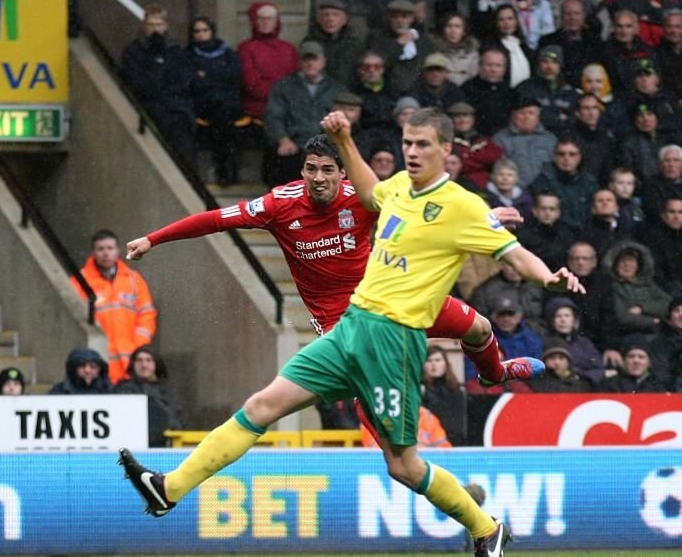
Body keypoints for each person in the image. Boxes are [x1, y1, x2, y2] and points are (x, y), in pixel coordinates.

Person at [119, 108, 583, 557]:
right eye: (408, 143)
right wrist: (153, 241)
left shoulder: (458, 205)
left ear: (446, 150)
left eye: (422, 144)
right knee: (262, 406)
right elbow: (364, 188)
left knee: (423, 431)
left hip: (393, 337)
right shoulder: (386, 189)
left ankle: (486, 500)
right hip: (347, 328)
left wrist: (548, 277)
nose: (413, 152)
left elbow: (515, 254)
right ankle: (169, 488)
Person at [126, 134, 539, 387]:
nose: (318, 177)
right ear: (302, 171)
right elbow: (215, 219)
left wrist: (484, 217)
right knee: (370, 385)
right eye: (310, 169)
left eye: (327, 170)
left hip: (391, 298)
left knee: (479, 327)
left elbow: (427, 211)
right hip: (339, 321)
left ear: (344, 174)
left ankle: (494, 373)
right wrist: (152, 239)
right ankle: (391, 461)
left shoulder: (362, 198)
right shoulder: (277, 205)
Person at [70, 229, 156, 384]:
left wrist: (138, 347)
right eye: (101, 249)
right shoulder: (80, 281)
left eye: (110, 248)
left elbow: (147, 315)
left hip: (130, 360)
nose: (105, 253)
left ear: (117, 250)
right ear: (93, 252)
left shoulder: (133, 280)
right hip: (96, 362)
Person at [120, 4, 195, 169]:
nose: (155, 29)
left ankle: (187, 174)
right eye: (151, 25)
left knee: (181, 128)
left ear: (166, 26)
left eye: (159, 25)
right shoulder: (133, 51)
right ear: (144, 26)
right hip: (149, 105)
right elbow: (136, 81)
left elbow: (184, 80)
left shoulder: (176, 51)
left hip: (176, 106)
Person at [262, 40, 343, 187]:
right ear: (299, 62)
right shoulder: (283, 86)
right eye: (306, 59)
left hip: (326, 147)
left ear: (324, 61)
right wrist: (283, 139)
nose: (310, 63)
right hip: (294, 146)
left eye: (315, 59)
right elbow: (273, 116)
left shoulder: (337, 88)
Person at [187, 16, 242, 187]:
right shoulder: (187, 54)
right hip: (201, 104)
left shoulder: (227, 53)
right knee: (222, 121)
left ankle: (227, 168)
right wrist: (214, 78)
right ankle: (225, 169)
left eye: (205, 30)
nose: (201, 34)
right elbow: (191, 82)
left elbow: (234, 76)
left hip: (226, 103)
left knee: (223, 119)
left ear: (212, 31)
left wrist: (206, 77)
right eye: (197, 31)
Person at [236, 1, 298, 124]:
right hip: (257, 113)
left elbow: (295, 81)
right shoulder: (245, 49)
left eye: (270, 18)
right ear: (254, 21)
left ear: (277, 21)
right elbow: (252, 84)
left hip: (287, 111)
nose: (265, 22)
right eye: (261, 18)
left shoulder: (289, 49)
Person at [114, 345, 184, 448]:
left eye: (148, 360)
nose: (144, 365)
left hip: (162, 446)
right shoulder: (123, 389)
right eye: (139, 360)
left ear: (156, 364)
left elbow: (176, 421)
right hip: (131, 446)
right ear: (133, 364)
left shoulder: (167, 392)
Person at [365, 0, 437, 97]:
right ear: (389, 18)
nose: (400, 21)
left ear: (411, 18)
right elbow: (379, 63)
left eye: (404, 17)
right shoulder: (376, 38)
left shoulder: (423, 41)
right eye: (395, 17)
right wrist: (400, 43)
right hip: (385, 93)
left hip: (418, 93)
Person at [530, 136, 600, 231]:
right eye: (561, 154)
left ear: (579, 157)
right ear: (554, 157)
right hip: (554, 235)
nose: (566, 158)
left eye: (572, 154)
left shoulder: (589, 182)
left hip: (586, 235)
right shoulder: (542, 181)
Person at [492, 94, 557, 189]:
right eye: (522, 113)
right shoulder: (500, 139)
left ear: (538, 117)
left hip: (546, 191)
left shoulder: (550, 139)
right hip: (513, 193)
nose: (526, 117)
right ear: (513, 116)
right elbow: (498, 171)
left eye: (531, 113)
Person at [515, 45, 578, 135]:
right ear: (539, 65)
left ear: (560, 65)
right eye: (545, 62)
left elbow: (575, 120)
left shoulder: (570, 92)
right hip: (534, 138)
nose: (549, 67)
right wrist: (559, 118)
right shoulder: (526, 88)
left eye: (554, 62)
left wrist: (544, 115)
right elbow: (526, 119)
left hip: (563, 140)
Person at [543, 296, 605, 384]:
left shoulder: (585, 344)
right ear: (552, 321)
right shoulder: (542, 342)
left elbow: (599, 369)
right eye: (558, 316)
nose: (563, 320)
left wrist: (580, 376)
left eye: (567, 316)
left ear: (574, 320)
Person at [302, 0, 360, 88]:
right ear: (320, 19)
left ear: (344, 20)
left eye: (335, 15)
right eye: (326, 15)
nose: (330, 19)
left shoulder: (354, 43)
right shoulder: (310, 42)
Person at [420, 345, 468, 446]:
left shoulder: (457, 392)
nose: (434, 364)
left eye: (438, 360)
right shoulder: (418, 391)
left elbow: (458, 428)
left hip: (450, 447)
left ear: (446, 363)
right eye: (429, 360)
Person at [449, 101, 503, 191]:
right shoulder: (447, 141)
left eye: (466, 116)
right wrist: (478, 160)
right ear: (451, 120)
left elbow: (495, 156)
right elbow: (455, 165)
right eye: (458, 116)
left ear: (473, 119)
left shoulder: (483, 140)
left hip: (482, 186)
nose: (462, 120)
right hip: (455, 186)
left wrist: (467, 156)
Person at [515, 191, 574, 271]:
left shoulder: (568, 234)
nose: (547, 213)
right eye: (543, 208)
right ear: (534, 210)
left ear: (558, 212)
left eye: (552, 209)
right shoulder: (522, 234)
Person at [462, 46, 513, 135]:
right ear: (480, 66)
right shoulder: (468, 88)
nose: (493, 69)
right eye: (489, 65)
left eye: (498, 65)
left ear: (504, 69)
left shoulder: (510, 91)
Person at [649, 297, 682, 384]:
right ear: (670, 318)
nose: (681, 314)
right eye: (676, 311)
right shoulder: (660, 342)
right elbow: (660, 373)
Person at [600, 334, 667, 392]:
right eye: (631, 356)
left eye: (641, 357)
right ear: (624, 361)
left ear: (649, 363)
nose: (636, 361)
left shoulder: (658, 387)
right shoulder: (610, 385)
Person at [489, 4, 534, 87]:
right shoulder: (491, 48)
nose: (506, 23)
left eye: (510, 18)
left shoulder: (526, 49)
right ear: (496, 23)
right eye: (501, 19)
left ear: (516, 21)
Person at [529, 338, 595, 392]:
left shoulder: (580, 384)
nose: (557, 362)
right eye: (552, 358)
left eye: (561, 358)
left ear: (568, 362)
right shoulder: (535, 383)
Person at [434, 12, 480, 86]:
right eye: (449, 26)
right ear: (443, 30)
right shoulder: (434, 52)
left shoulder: (473, 53)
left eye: (457, 26)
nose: (453, 31)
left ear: (464, 31)